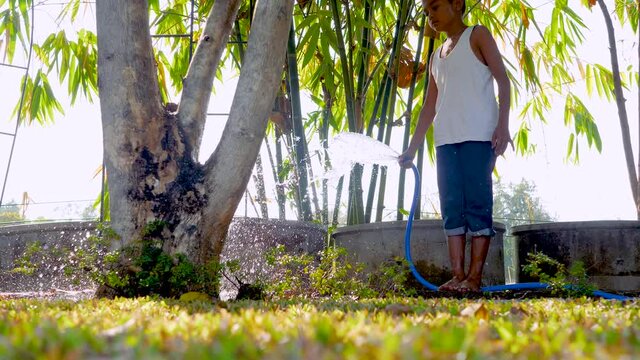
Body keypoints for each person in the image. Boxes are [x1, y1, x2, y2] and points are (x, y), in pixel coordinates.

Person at [398, 0, 512, 292]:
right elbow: (428, 107)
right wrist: (412, 148)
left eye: (435, 8)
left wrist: (503, 125)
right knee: (452, 208)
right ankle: (458, 276)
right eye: (426, 13)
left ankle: (474, 279)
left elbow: (503, 80)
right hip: (445, 140)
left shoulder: (478, 35)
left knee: (477, 203)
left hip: (478, 135)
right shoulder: (437, 55)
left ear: (457, 4)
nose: (430, 16)